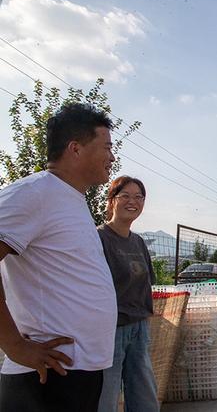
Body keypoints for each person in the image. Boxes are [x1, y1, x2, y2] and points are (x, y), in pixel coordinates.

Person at [0, 103, 118, 411]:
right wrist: (14, 345)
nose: (112, 157)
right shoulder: (35, 193)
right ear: (75, 148)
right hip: (44, 379)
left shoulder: (71, 200)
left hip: (76, 372)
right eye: (107, 147)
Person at [97, 176, 159, 412]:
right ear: (112, 201)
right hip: (109, 330)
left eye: (138, 197)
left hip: (139, 327)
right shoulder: (99, 238)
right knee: (106, 398)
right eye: (125, 196)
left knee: (144, 398)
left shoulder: (138, 242)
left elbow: (146, 285)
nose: (132, 202)